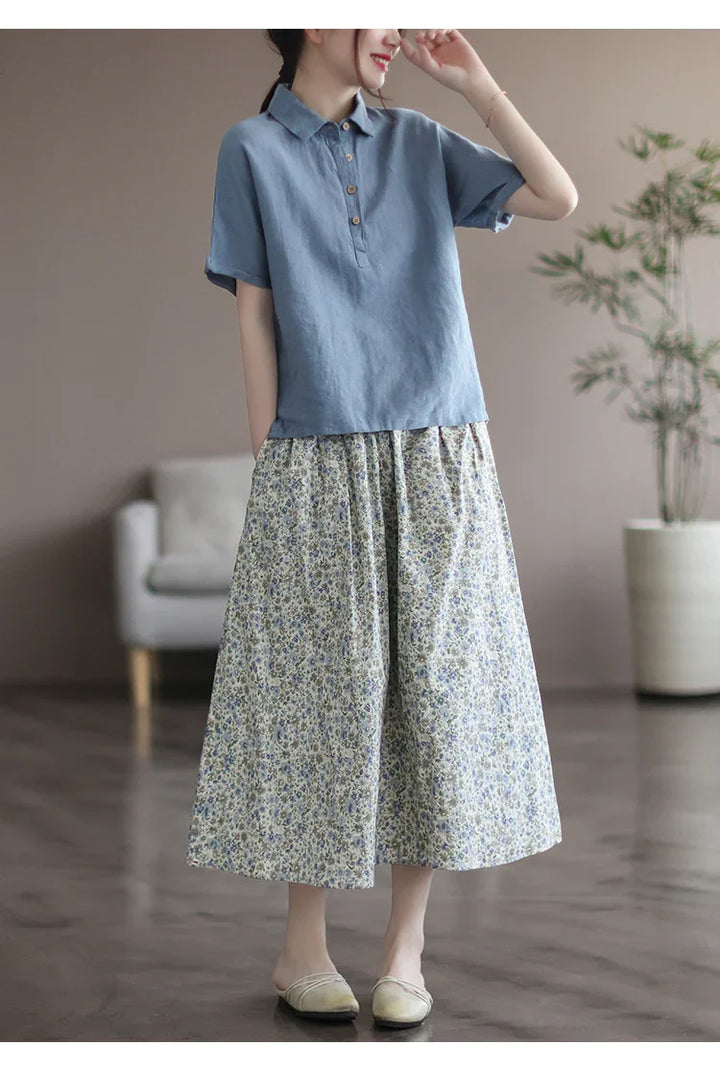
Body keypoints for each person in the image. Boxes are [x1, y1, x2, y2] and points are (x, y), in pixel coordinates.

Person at [186, 28, 576, 1029]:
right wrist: (272, 449)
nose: (396, 28)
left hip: (441, 452)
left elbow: (556, 195)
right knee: (321, 701)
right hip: (317, 455)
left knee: (431, 701)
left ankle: (406, 950)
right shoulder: (250, 149)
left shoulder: (417, 139)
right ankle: (301, 946)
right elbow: (254, 311)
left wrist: (478, 84)